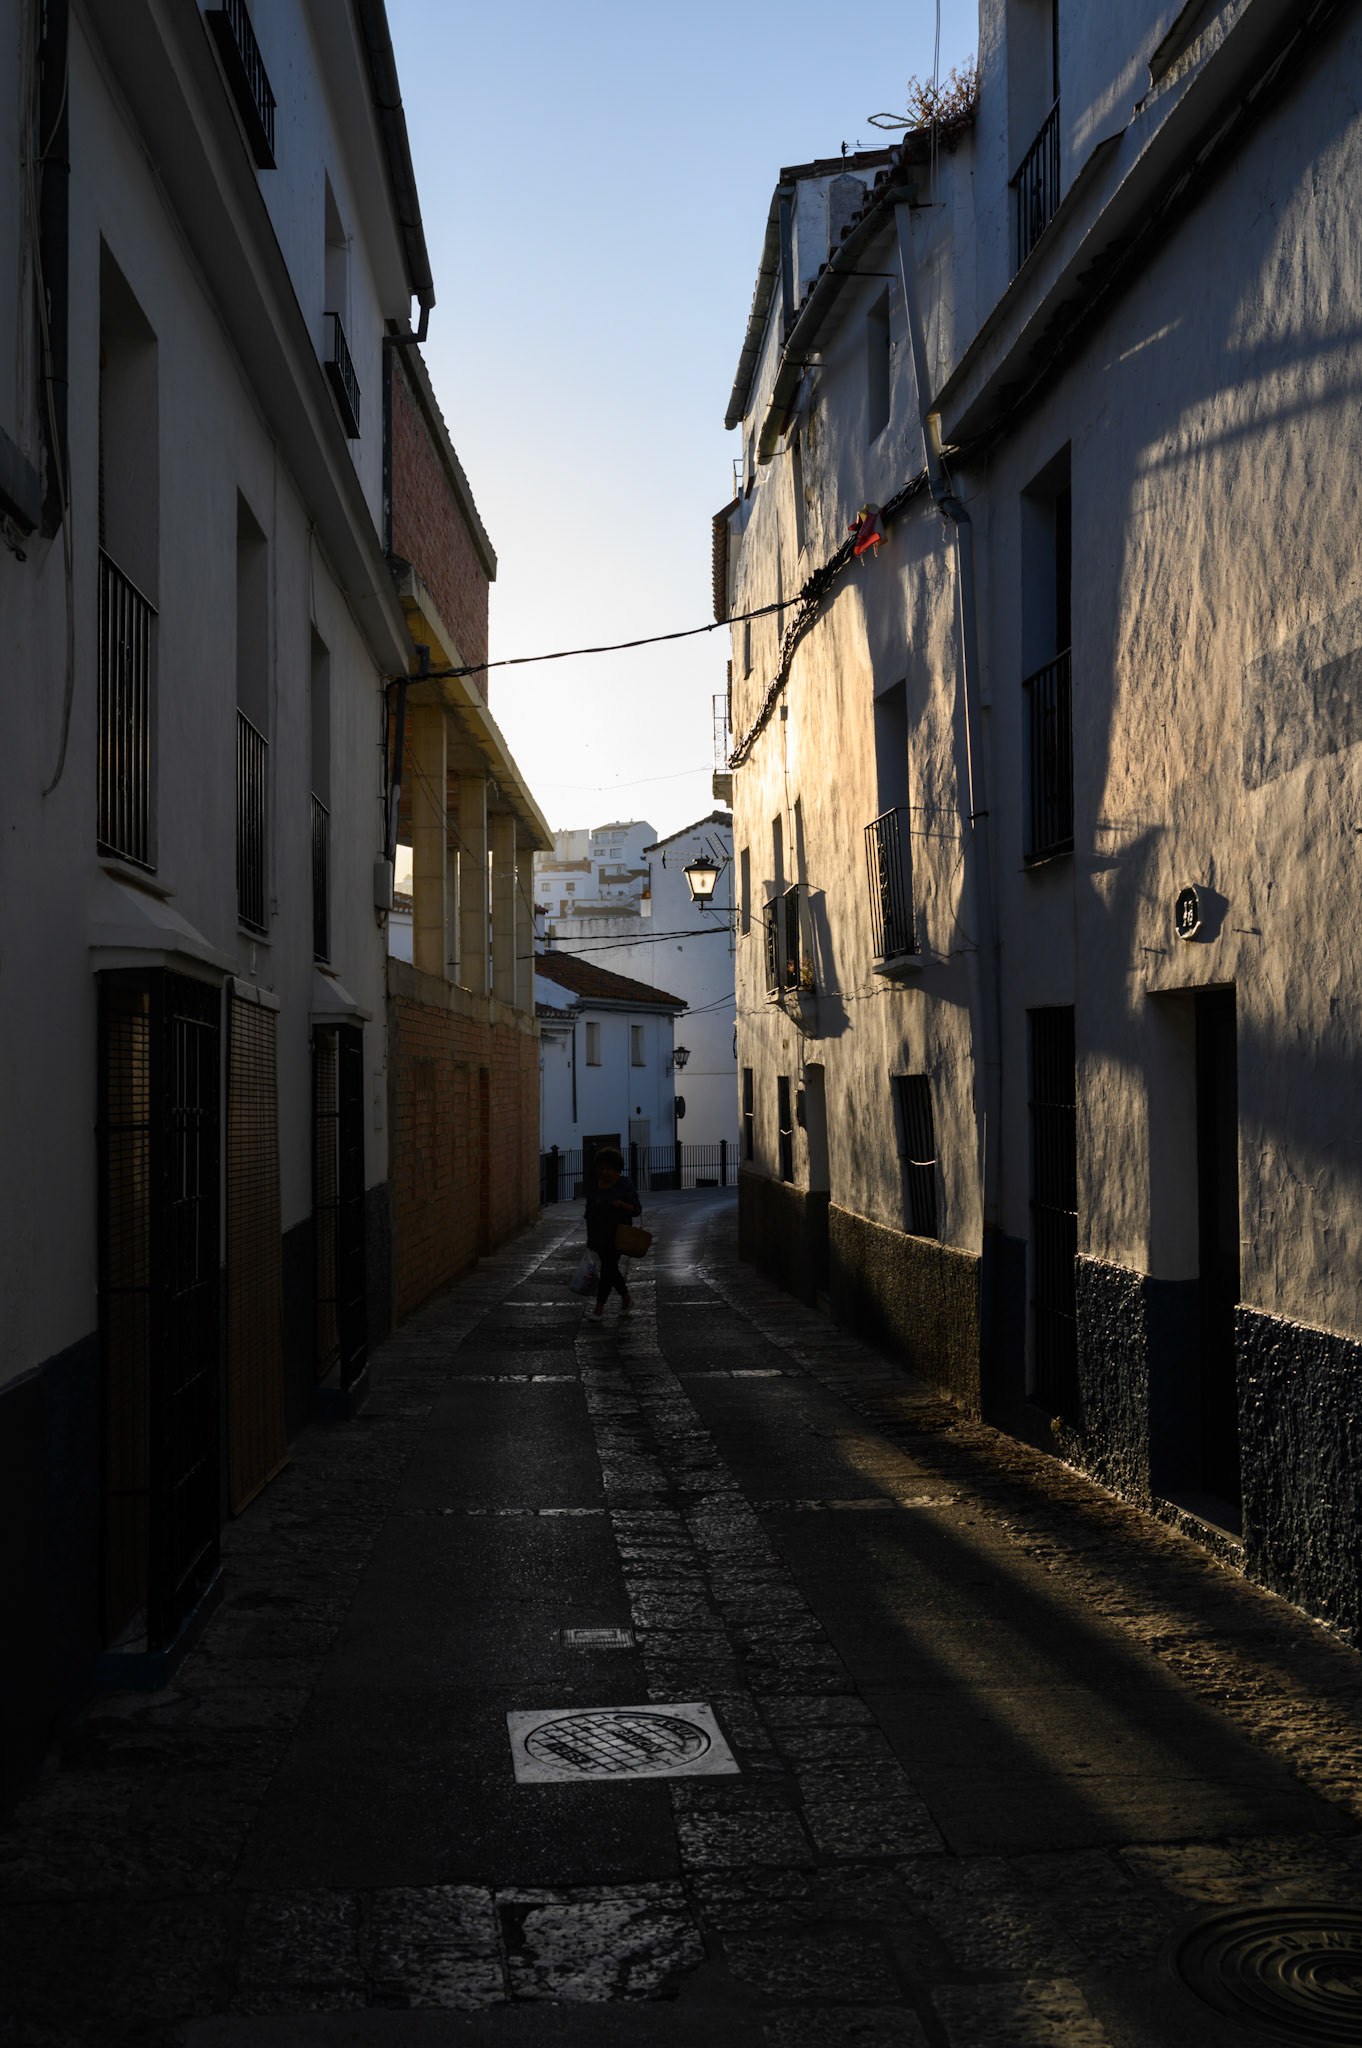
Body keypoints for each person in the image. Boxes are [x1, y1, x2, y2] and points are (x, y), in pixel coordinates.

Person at [583, 1146, 641, 1320]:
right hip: (598, 1234)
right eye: (602, 1168)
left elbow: (636, 1209)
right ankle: (626, 1298)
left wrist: (621, 1205)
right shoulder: (595, 1184)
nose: (604, 1172)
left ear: (617, 1169)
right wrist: (590, 1237)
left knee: (608, 1268)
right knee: (611, 1269)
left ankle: (599, 1309)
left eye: (608, 1168)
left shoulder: (624, 1185)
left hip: (617, 1235)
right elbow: (589, 1210)